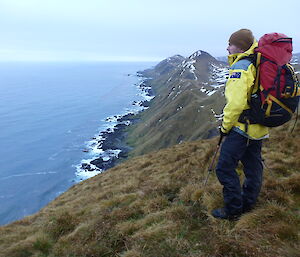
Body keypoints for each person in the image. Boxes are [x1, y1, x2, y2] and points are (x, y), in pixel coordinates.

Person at [212, 29, 269, 220]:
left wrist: (224, 127)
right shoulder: (257, 63)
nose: (227, 47)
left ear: (241, 46)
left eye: (231, 44)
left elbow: (235, 104)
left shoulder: (241, 67)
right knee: (253, 166)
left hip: (242, 129)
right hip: (259, 127)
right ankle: (249, 202)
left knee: (224, 168)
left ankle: (233, 210)